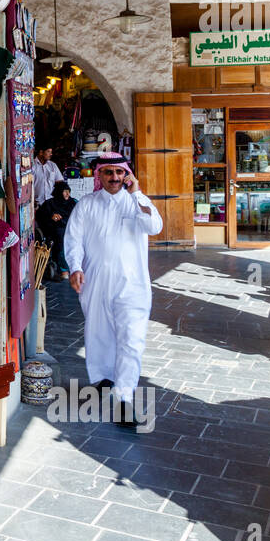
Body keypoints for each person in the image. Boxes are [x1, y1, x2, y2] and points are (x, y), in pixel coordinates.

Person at [64, 151, 162, 428]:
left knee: (132, 339)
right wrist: (75, 267)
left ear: (127, 175)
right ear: (100, 175)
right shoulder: (86, 204)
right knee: (98, 333)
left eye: (120, 173)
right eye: (109, 173)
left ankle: (125, 397)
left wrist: (137, 194)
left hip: (133, 284)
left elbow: (155, 226)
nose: (115, 178)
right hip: (95, 281)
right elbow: (74, 240)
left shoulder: (137, 204)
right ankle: (102, 378)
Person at [37, 180, 75, 279]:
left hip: (71, 229)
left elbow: (78, 218)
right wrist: (51, 217)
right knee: (61, 237)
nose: (67, 194)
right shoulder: (49, 203)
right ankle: (64, 269)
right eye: (65, 191)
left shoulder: (73, 203)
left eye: (68, 191)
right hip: (55, 231)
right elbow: (41, 217)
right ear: (59, 192)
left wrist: (62, 219)